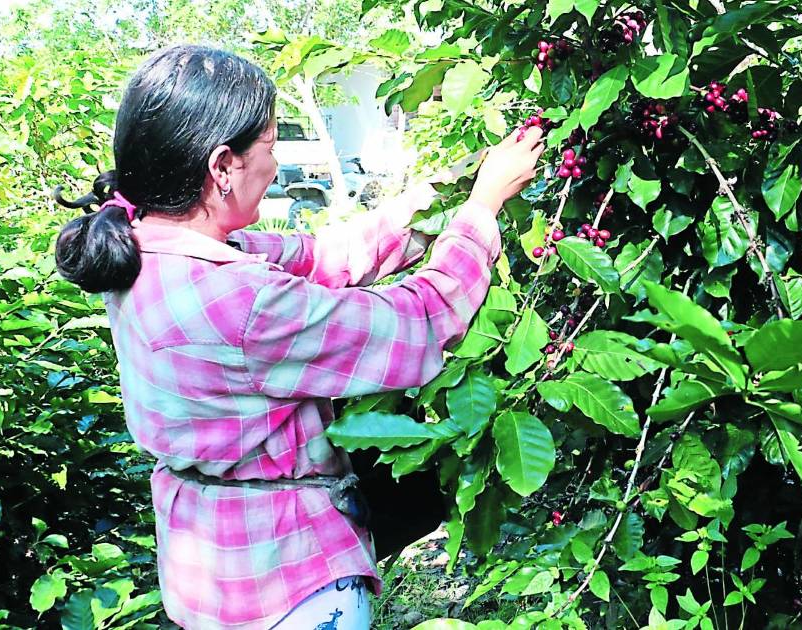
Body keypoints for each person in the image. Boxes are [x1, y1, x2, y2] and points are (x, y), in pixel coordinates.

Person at [52, 44, 543, 630]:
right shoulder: (243, 303)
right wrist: (484, 209)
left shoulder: (146, 249)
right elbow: (420, 322)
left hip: (209, 577)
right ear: (222, 166)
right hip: (291, 581)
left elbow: (327, 257)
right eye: (269, 147)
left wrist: (444, 194)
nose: (275, 163)